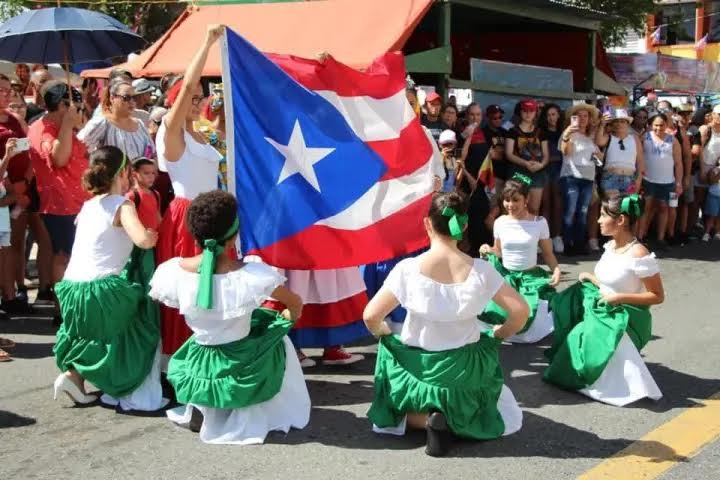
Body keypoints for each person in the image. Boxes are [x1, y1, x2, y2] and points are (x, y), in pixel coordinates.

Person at [363, 191, 526, 457]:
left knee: (388, 352)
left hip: (419, 370)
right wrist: (498, 334)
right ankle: (455, 419)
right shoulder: (481, 270)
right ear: (463, 225)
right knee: (490, 403)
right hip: (464, 372)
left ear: (427, 223)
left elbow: (371, 316)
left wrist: (386, 338)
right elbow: (520, 311)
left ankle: (428, 420)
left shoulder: (407, 269)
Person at [149, 191, 310, 443]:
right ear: (234, 234)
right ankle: (253, 407)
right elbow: (295, 303)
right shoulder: (252, 275)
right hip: (242, 361)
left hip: (199, 356)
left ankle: (205, 406)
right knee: (278, 339)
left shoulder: (172, 271)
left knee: (213, 337)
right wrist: (284, 322)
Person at [52, 146, 165, 411]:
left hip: (69, 291)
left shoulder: (87, 206)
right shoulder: (122, 205)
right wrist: (151, 236)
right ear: (124, 172)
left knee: (92, 333)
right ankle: (128, 385)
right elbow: (142, 240)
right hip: (100, 291)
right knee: (142, 318)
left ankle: (73, 378)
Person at [544, 194, 664, 406]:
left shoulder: (638, 253)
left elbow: (657, 296)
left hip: (623, 318)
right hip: (601, 311)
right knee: (571, 342)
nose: (598, 220)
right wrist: (591, 278)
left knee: (584, 355)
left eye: (602, 215)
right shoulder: (610, 247)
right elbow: (610, 283)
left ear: (621, 220)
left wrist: (619, 298)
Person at [155, 25, 227, 358]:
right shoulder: (172, 134)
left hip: (213, 214)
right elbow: (186, 86)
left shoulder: (201, 134)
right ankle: (181, 359)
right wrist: (207, 42)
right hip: (188, 217)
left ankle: (209, 352)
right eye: (192, 98)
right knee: (191, 291)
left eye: (201, 98)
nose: (197, 103)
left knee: (213, 288)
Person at [478, 174, 560, 343]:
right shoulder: (500, 222)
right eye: (506, 200)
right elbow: (498, 251)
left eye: (515, 200)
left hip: (530, 279)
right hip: (507, 278)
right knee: (497, 314)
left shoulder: (539, 222)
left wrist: (556, 270)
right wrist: (487, 249)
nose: (510, 205)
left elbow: (547, 253)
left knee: (528, 318)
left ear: (526, 199)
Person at [27, 82, 88, 288]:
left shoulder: (63, 127)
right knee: (64, 255)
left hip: (78, 201)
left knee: (74, 255)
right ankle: (63, 309)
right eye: (78, 108)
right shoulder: (42, 129)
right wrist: (69, 124)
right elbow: (59, 159)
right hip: (61, 205)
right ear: (63, 106)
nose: (80, 113)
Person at [78, 78, 156, 160]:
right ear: (112, 98)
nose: (132, 102)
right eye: (126, 98)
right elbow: (79, 149)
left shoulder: (139, 124)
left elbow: (152, 153)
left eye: (134, 97)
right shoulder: (102, 122)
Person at [559, 103, 600, 255]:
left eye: (585, 116)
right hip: (571, 177)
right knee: (570, 211)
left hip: (588, 178)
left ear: (589, 119)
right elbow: (566, 152)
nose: (582, 119)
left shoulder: (590, 137)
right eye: (578, 116)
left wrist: (596, 157)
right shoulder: (568, 134)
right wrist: (567, 134)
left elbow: (599, 157)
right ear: (572, 119)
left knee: (582, 212)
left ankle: (579, 244)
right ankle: (568, 244)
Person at [638, 113, 683, 249]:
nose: (658, 128)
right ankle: (640, 237)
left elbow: (679, 163)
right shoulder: (644, 137)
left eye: (661, 125)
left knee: (664, 208)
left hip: (668, 181)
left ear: (666, 125)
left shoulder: (673, 140)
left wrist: (679, 183)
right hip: (648, 180)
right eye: (656, 125)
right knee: (646, 208)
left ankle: (661, 238)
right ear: (651, 125)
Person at [457, 103, 493, 255]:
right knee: (469, 215)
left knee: (483, 213)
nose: (475, 118)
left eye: (478, 115)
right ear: (467, 116)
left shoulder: (486, 133)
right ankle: (471, 250)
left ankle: (484, 249)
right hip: (466, 180)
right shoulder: (461, 134)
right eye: (472, 114)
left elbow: (492, 154)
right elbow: (461, 157)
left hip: (483, 180)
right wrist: (468, 136)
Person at [505, 99, 549, 214]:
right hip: (518, 172)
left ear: (535, 113)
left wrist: (541, 165)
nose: (528, 114)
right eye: (525, 111)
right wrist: (525, 163)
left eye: (531, 111)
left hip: (537, 173)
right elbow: (508, 154)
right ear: (520, 112)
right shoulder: (512, 131)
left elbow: (546, 155)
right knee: (516, 208)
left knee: (534, 209)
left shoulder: (541, 132)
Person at [596, 108, 645, 197]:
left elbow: (640, 162)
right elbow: (599, 142)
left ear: (627, 124)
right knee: (612, 208)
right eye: (616, 121)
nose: (619, 124)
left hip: (630, 179)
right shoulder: (608, 137)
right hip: (610, 178)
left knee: (626, 209)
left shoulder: (635, 138)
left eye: (622, 121)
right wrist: (602, 125)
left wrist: (638, 181)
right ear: (612, 124)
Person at [539, 103, 565, 253]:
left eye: (554, 114)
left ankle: (557, 236)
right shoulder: (541, 132)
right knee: (546, 204)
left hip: (561, 169)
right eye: (548, 115)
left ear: (558, 115)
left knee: (558, 204)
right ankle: (545, 238)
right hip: (545, 168)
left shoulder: (564, 131)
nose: (551, 118)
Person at [702, 164, 720, 241]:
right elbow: (712, 181)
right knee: (712, 215)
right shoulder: (714, 170)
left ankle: (716, 231)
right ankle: (706, 233)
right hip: (713, 195)